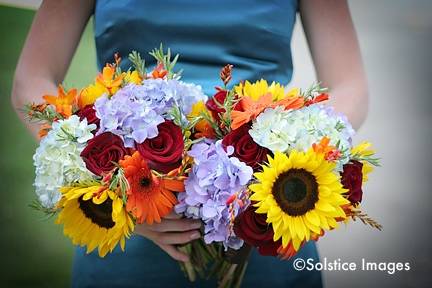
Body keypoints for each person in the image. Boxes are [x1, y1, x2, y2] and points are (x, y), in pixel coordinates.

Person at [11, 0, 368, 287]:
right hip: (129, 228)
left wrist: (291, 155)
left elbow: (350, 86)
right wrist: (112, 184)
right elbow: (32, 80)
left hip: (266, 214)